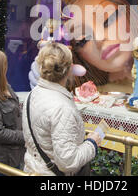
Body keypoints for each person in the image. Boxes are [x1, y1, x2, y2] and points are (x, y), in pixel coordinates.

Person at [22, 42, 102, 176]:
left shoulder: (33, 94)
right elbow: (68, 162)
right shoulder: (63, 107)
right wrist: (92, 143)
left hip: (33, 169)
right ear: (69, 69)